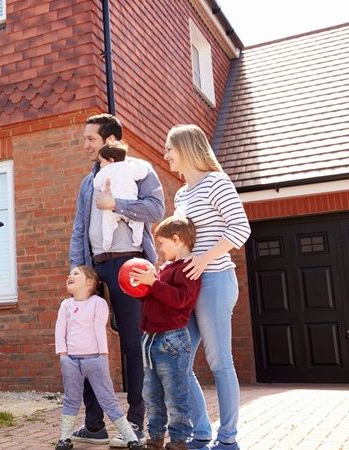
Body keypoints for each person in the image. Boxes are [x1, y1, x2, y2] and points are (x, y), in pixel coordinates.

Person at [69, 114, 165, 447]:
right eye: (84, 139)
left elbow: (156, 209)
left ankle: (137, 420)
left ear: (109, 141)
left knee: (133, 345)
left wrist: (117, 204)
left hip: (130, 264)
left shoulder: (140, 170)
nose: (85, 145)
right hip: (95, 269)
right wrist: (77, 270)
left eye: (90, 139)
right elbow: (80, 228)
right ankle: (94, 424)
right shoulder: (86, 182)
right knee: (88, 345)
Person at [163, 125, 251, 450]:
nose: (166, 155)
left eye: (170, 148)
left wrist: (203, 259)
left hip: (214, 280)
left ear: (185, 148)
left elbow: (240, 229)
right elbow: (182, 243)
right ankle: (200, 433)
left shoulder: (217, 182)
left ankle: (227, 440)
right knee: (177, 363)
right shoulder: (182, 194)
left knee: (219, 361)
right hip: (188, 287)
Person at [129, 215, 201, 450]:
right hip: (149, 339)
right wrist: (143, 285)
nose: (159, 249)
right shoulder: (164, 269)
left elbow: (181, 300)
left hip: (172, 339)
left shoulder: (188, 268)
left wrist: (155, 283)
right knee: (151, 393)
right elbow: (155, 299)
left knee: (175, 394)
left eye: (161, 243)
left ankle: (179, 439)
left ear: (177, 239)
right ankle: (155, 436)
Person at [54, 265, 145, 450]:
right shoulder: (66, 305)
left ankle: (130, 437)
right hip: (71, 361)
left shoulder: (98, 303)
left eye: (76, 273)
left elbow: (99, 329)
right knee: (71, 399)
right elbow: (59, 330)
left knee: (108, 400)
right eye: (70, 273)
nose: (70, 276)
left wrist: (103, 355)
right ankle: (65, 438)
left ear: (90, 282)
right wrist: (62, 354)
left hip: (95, 360)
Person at [93, 142, 149, 251]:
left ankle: (107, 243)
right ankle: (137, 239)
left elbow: (96, 184)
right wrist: (140, 164)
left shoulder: (105, 170)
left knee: (107, 224)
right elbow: (143, 172)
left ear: (111, 160)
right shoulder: (129, 166)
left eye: (102, 161)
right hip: (130, 204)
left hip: (111, 206)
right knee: (138, 223)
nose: (100, 165)